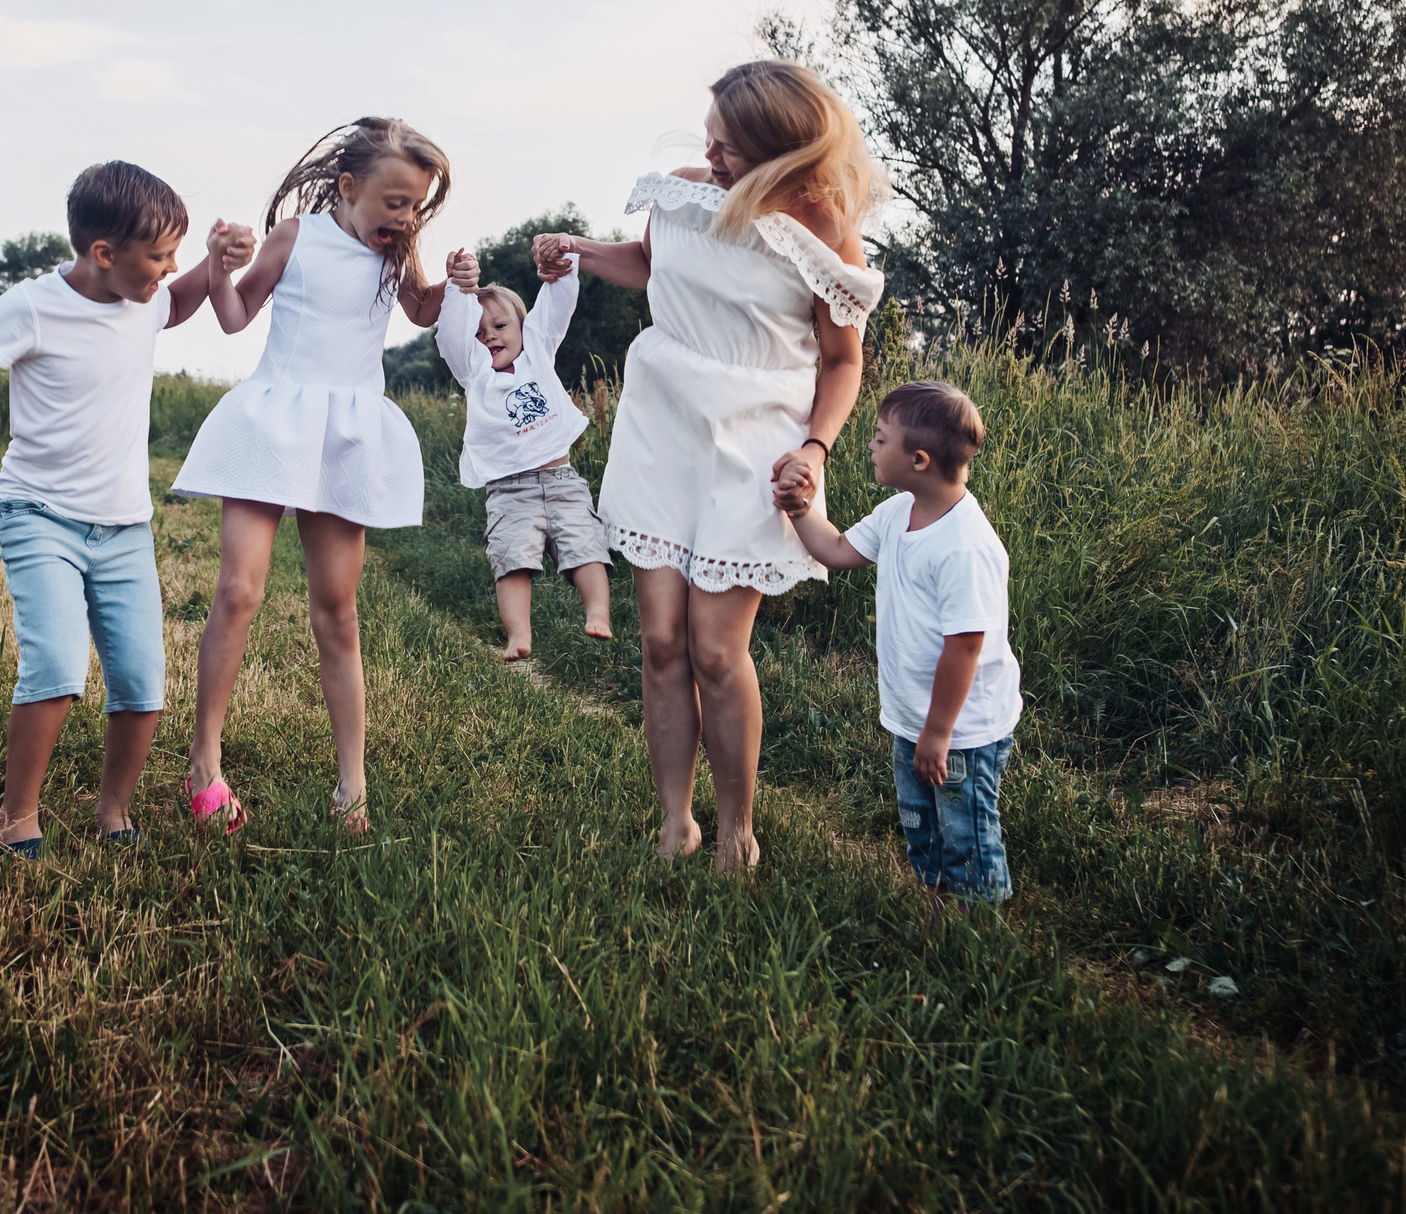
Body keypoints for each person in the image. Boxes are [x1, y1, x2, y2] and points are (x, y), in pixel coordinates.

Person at [531, 61, 886, 869]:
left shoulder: (824, 227)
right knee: (660, 641)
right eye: (710, 138)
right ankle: (674, 821)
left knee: (718, 650)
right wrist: (578, 251)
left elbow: (842, 361)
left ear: (780, 152)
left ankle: (737, 832)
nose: (710, 156)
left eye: (728, 146)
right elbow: (650, 265)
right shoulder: (685, 192)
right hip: (664, 421)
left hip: (760, 443)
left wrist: (815, 448)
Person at [0, 162, 254, 859]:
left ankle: (113, 808)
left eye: (174, 254)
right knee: (55, 666)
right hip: (39, 514)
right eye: (158, 255)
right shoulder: (33, 305)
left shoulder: (146, 297)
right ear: (104, 253)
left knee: (142, 683)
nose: (168, 270)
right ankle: (19, 815)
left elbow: (187, 297)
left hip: (125, 524)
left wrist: (214, 258)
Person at [172, 117, 452, 833]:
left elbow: (421, 309)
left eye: (415, 204)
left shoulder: (399, 254)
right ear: (351, 186)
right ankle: (205, 761)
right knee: (239, 590)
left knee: (338, 609)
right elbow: (234, 317)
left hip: (347, 431)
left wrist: (456, 284)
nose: (404, 216)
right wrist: (215, 265)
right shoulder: (297, 236)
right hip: (276, 419)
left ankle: (351, 782)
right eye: (393, 201)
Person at [782, 381, 1020, 905]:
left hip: (961, 730)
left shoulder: (965, 546)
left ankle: (980, 918)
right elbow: (839, 550)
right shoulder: (897, 513)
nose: (870, 445)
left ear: (918, 459)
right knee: (921, 824)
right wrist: (799, 510)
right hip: (913, 720)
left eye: (879, 438)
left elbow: (965, 647)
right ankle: (937, 903)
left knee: (966, 833)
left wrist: (938, 733)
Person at [434, 245, 613, 661]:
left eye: (499, 325)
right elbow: (451, 335)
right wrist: (461, 290)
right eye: (480, 333)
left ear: (522, 327)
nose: (490, 336)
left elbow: (557, 305)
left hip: (561, 480)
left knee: (584, 546)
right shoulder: (475, 372)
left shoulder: (538, 350)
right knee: (512, 560)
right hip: (509, 490)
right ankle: (518, 634)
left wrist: (561, 269)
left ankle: (598, 613)